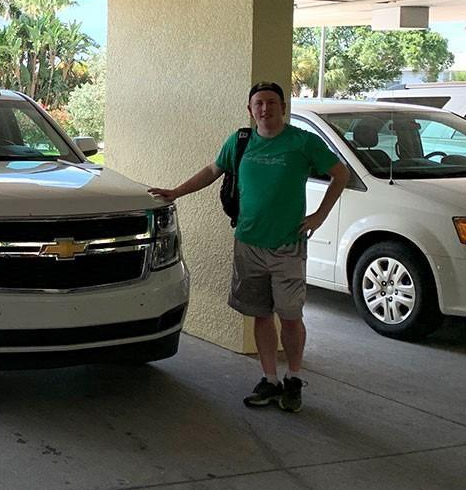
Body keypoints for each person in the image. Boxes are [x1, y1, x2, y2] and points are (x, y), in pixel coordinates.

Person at [147, 81, 349, 412]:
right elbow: (212, 171)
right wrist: (176, 192)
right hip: (248, 243)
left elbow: (340, 175)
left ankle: (293, 379)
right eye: (259, 103)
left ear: (283, 107)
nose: (265, 108)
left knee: (291, 317)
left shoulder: (303, 142)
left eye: (271, 102)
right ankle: (269, 379)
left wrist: (319, 216)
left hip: (287, 246)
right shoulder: (240, 142)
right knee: (260, 314)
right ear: (250, 109)